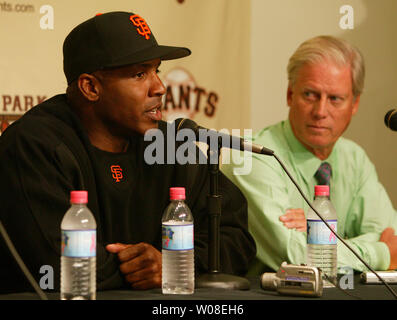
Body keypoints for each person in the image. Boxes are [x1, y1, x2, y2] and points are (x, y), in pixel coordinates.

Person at [0, 11, 256, 293]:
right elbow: (54, 267)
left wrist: (172, 265)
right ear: (91, 87)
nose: (159, 87)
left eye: (156, 70)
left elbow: (236, 239)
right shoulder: (34, 145)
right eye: (139, 74)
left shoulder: (170, 144)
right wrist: (142, 270)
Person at [222, 35, 397, 275]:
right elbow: (297, 257)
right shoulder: (252, 158)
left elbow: (391, 234)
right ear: (289, 95)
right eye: (310, 95)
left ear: (355, 104)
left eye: (335, 99)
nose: (320, 111)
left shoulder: (354, 158)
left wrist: (319, 233)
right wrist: (379, 253)